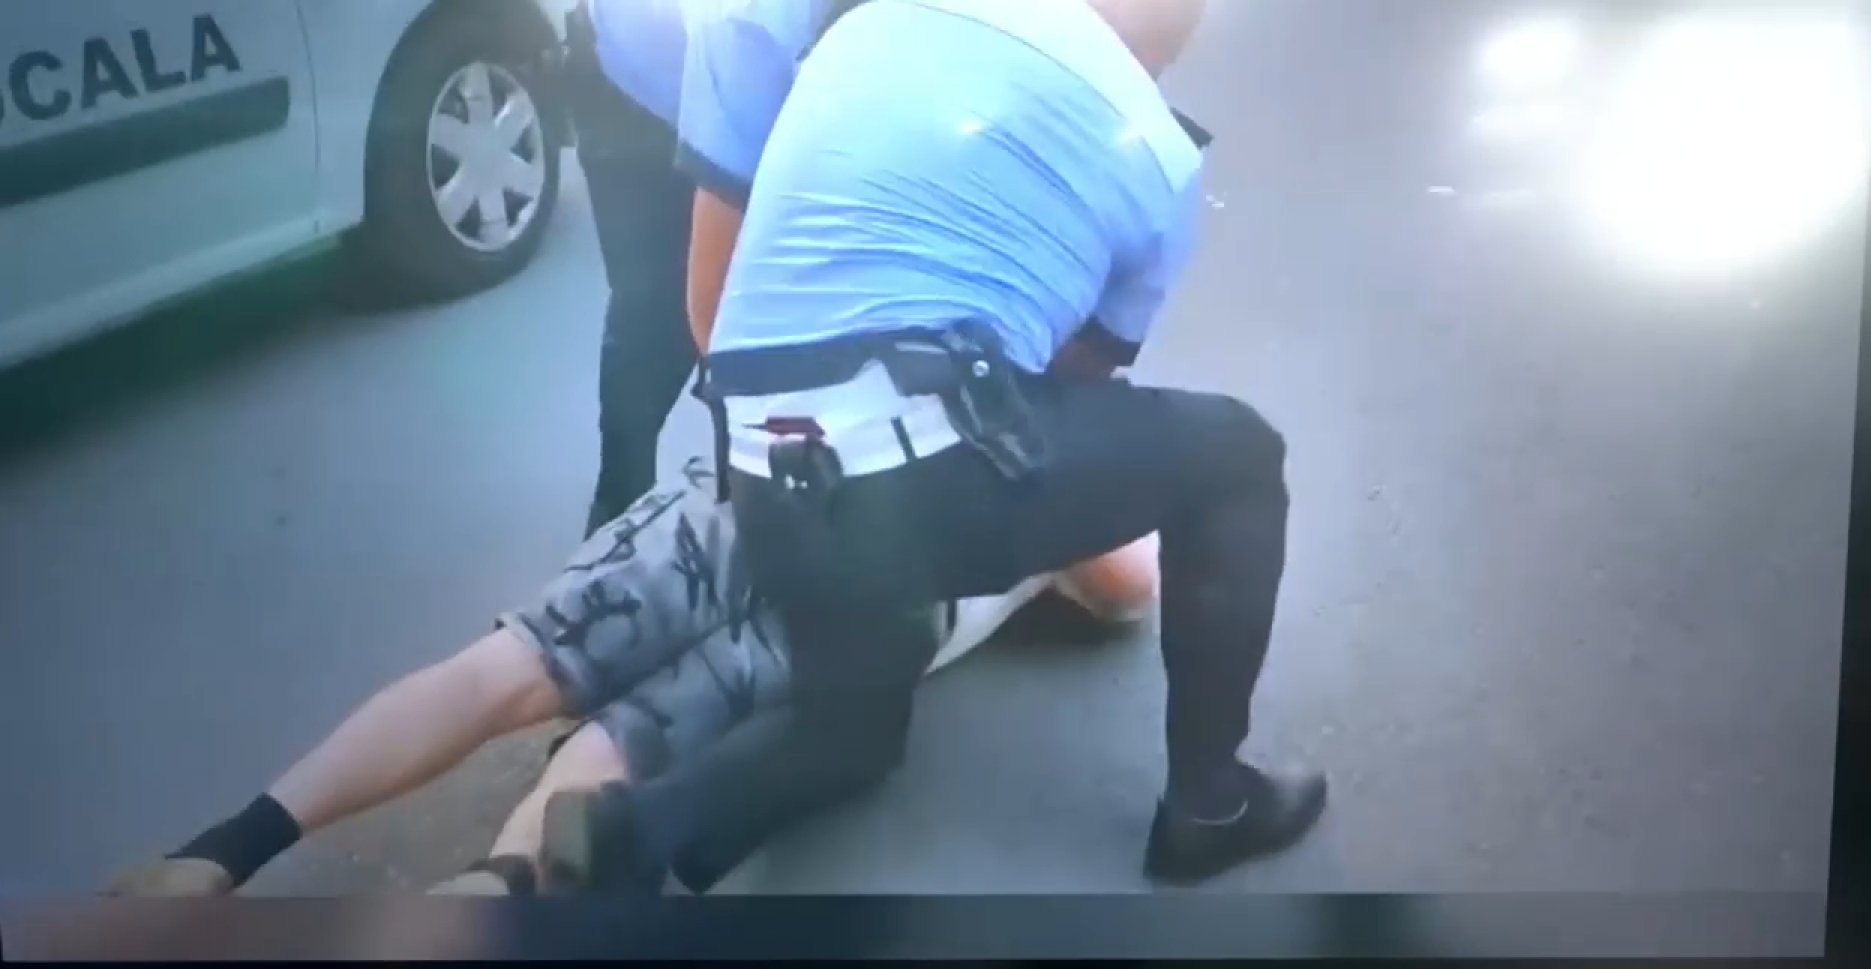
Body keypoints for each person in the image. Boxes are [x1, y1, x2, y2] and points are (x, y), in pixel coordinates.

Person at [544, 0, 1329, 895]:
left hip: (764, 466)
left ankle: (629, 833)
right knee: (1238, 458)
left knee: (851, 738)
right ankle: (1209, 807)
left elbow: (732, 292)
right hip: (915, 466)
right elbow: (1066, 385)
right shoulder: (1157, 150)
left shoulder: (883, 24)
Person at [105, 459, 1159, 897]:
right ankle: (489, 893)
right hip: (870, 600)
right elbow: (1127, 584)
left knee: (510, 667)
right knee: (630, 740)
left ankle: (219, 854)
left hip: (749, 490)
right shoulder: (1068, 438)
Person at [567, 0, 867, 533]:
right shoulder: (751, 24)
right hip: (637, 86)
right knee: (657, 308)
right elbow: (719, 318)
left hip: (775, 74)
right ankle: (620, 508)